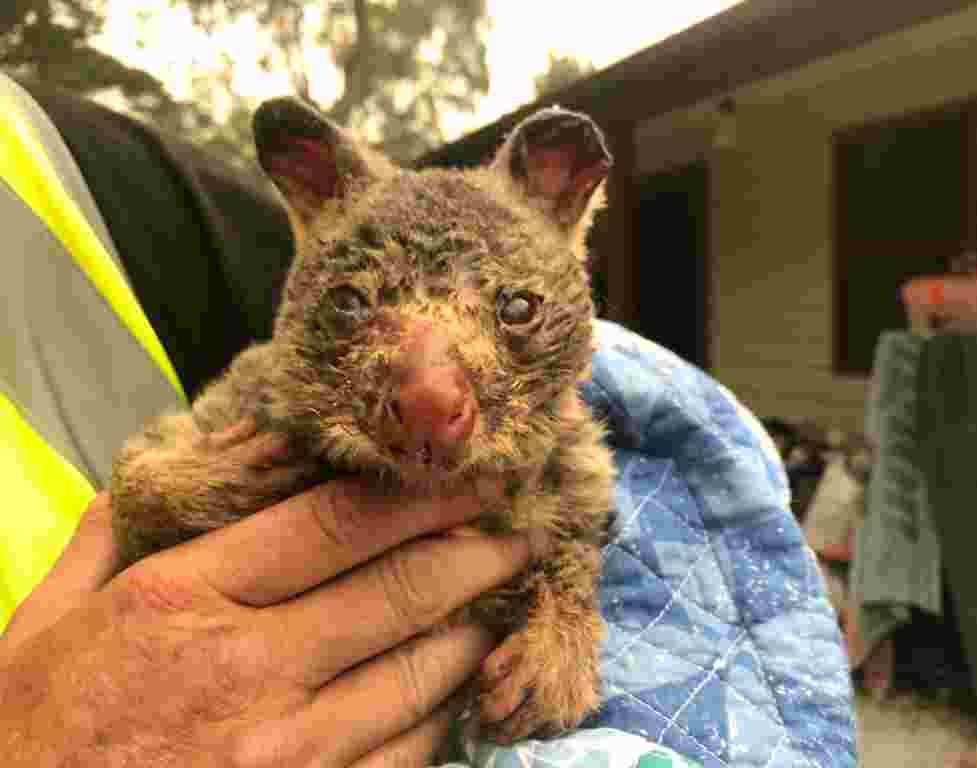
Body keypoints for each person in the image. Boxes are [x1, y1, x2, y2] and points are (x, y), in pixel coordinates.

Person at [0, 73, 859, 767]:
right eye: (351, 307)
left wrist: (563, 627)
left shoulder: (564, 452)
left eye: (514, 310)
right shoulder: (269, 398)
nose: (432, 397)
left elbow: (574, 545)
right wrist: (164, 492)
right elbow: (147, 478)